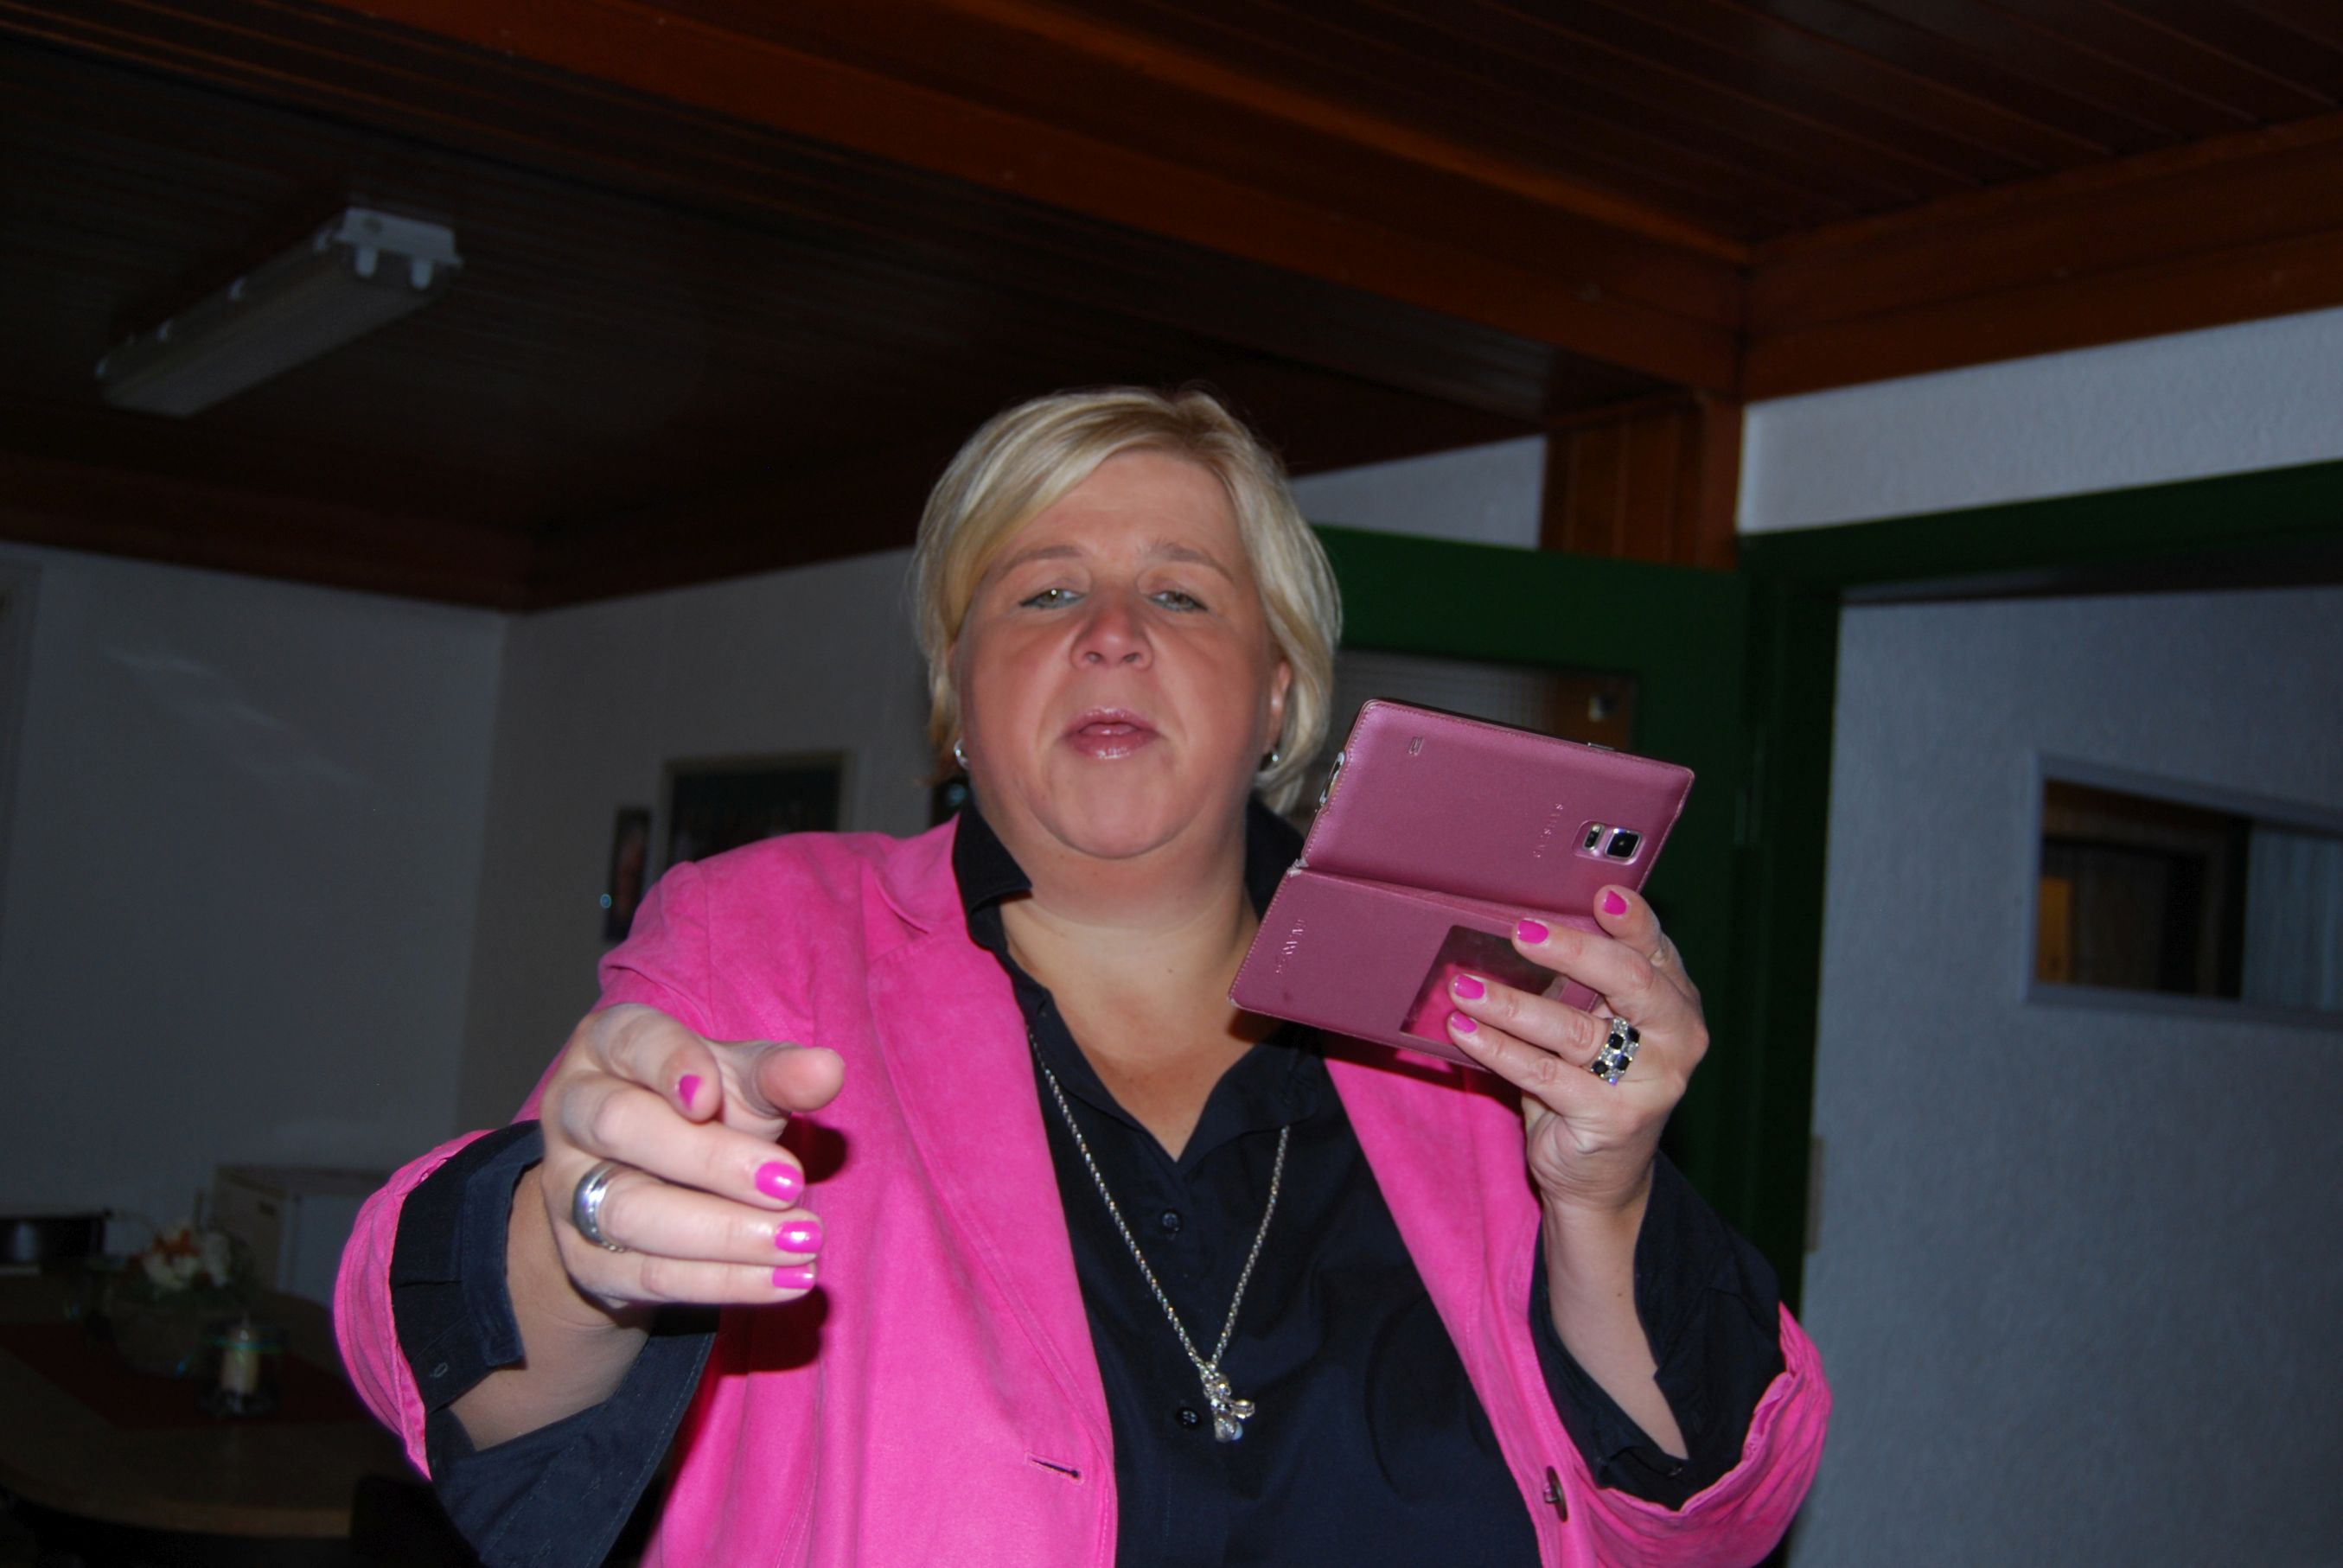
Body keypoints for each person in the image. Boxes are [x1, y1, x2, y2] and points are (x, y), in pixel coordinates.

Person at [338, 387, 1829, 1566]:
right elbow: (468, 1394)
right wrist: (581, 1239)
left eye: (1180, 596)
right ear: (955, 694)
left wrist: (1601, 1199)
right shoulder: (763, 937)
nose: (1111, 634)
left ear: (1280, 691)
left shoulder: (1476, 1018)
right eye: (1044, 594)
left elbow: (1715, 1509)